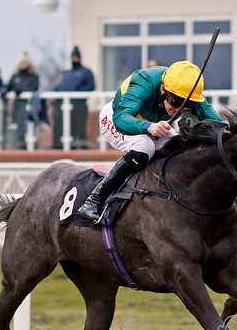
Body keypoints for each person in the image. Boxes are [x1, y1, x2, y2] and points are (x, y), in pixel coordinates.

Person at [77, 60, 226, 222]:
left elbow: (211, 117)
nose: (178, 110)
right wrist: (149, 127)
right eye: (175, 102)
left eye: (186, 105)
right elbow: (121, 118)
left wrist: (227, 129)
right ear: (163, 90)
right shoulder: (144, 82)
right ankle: (94, 200)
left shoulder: (184, 89)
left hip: (149, 123)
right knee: (145, 146)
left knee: (179, 146)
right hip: (116, 119)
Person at [53, 46, 95, 149]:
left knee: (80, 127)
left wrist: (77, 92)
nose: (74, 59)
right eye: (73, 57)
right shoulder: (68, 73)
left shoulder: (86, 72)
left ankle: (83, 148)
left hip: (79, 105)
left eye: (76, 57)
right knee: (68, 127)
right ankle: (69, 147)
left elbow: (91, 86)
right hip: (66, 105)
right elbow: (61, 87)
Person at [2, 51, 40, 149]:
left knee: (24, 122)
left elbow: (34, 87)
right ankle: (16, 144)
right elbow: (8, 86)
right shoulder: (15, 76)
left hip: (28, 104)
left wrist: (21, 91)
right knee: (15, 123)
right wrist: (4, 92)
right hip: (16, 104)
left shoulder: (33, 76)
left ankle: (23, 143)